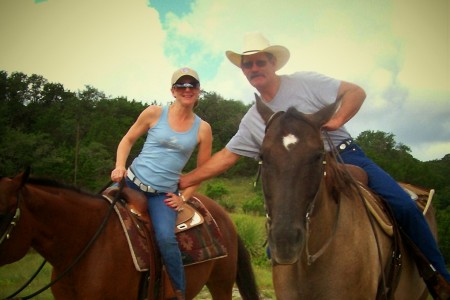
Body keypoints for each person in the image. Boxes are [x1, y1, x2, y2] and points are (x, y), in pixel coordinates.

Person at [179, 32, 450, 298]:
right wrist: (184, 180)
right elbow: (226, 157)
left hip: (345, 155)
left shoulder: (306, 82)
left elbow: (355, 92)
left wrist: (334, 121)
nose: (254, 68)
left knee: (403, 206)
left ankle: (437, 276)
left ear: (273, 63)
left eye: (260, 62)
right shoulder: (253, 120)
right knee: (280, 228)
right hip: (294, 173)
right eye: (247, 64)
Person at [111, 67, 212, 300]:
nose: (187, 90)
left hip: (162, 195)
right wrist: (119, 165)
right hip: (131, 182)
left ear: (198, 91)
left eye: (192, 86)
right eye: (181, 86)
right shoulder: (154, 113)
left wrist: (183, 197)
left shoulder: (203, 128)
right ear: (173, 91)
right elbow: (127, 140)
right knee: (98, 212)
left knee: (166, 238)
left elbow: (202, 170)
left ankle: (179, 292)